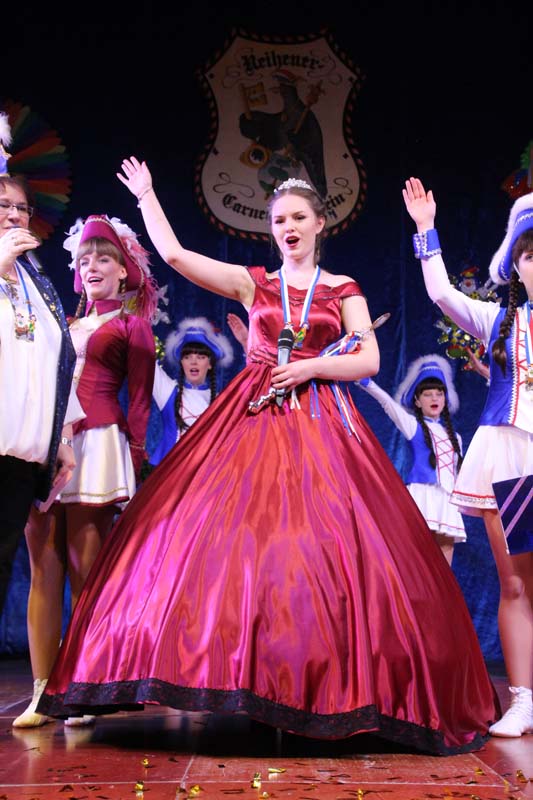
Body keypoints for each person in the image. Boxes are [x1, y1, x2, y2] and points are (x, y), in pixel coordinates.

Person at [36, 160, 499, 755]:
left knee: (318, 551)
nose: (289, 228)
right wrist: (148, 195)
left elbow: (369, 360)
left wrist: (310, 367)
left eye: (299, 218)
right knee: (244, 549)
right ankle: (250, 683)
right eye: (280, 220)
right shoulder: (254, 281)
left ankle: (318, 688)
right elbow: (175, 255)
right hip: (252, 418)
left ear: (320, 223)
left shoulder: (343, 288)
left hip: (322, 419)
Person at [12, 214, 157, 729]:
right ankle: (41, 692)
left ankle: (82, 687)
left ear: (123, 270)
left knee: (85, 571)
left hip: (98, 446)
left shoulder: (132, 326)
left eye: (104, 258)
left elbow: (140, 402)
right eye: (85, 259)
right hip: (48, 446)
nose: (92, 266)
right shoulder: (60, 324)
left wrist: (134, 462)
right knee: (43, 568)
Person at [402, 176, 533, 738]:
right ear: (517, 266)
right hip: (511, 455)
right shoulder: (498, 320)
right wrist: (427, 231)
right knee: (516, 584)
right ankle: (523, 700)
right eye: (530, 255)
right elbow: (441, 294)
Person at [0, 113, 77, 620]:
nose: (14, 216)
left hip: (20, 458)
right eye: (3, 206)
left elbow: (56, 358)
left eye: (21, 208)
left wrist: (62, 436)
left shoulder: (38, 282)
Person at [356, 354, 466, 564]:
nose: (434, 399)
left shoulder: (456, 438)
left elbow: (459, 474)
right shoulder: (413, 426)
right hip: (422, 497)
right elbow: (389, 404)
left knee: (445, 567)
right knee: (418, 562)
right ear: (417, 400)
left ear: (445, 399)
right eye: (427, 394)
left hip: (446, 501)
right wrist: (367, 384)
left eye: (439, 394)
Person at [150, 316, 234, 466]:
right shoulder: (169, 391)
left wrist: (246, 342)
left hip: (204, 472)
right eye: (187, 357)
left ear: (210, 364)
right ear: (182, 362)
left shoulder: (220, 401)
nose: (193, 362)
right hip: (169, 470)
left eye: (200, 357)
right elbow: (146, 361)